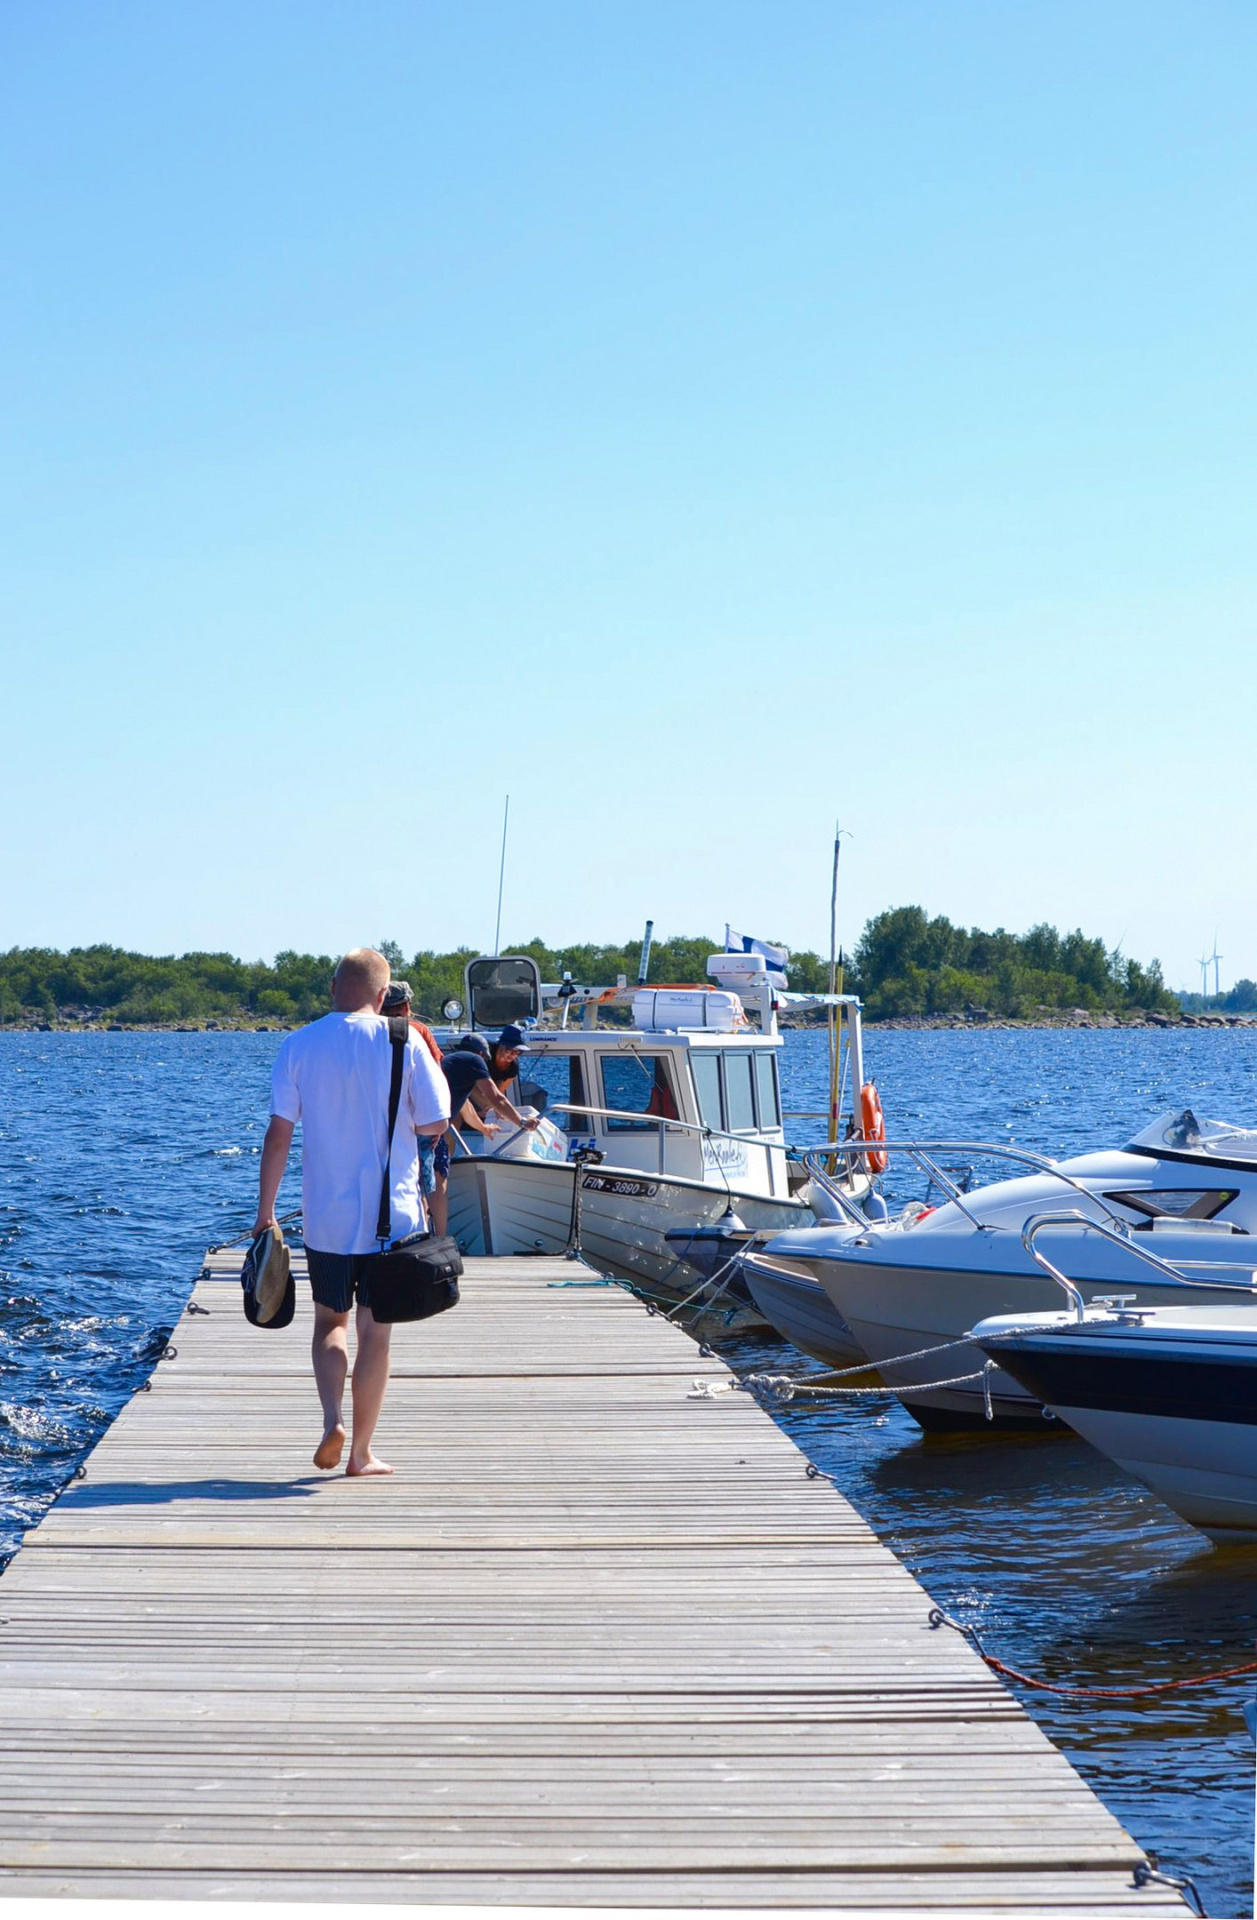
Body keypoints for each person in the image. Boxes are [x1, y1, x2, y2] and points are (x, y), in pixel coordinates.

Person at [253, 948, 449, 1478]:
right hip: (394, 1220)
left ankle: (330, 1419)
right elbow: (435, 1123)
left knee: (329, 1325)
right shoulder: (404, 1043)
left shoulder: (299, 1044)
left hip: (326, 1220)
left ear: (334, 987)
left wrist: (265, 1213)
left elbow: (278, 1136)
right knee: (376, 1331)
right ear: (384, 995)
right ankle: (361, 1453)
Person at [381, 980, 451, 1235]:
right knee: (429, 1180)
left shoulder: (369, 1031)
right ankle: (437, 1236)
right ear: (407, 1005)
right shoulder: (419, 1031)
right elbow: (436, 1078)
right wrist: (437, 1129)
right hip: (419, 1120)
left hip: (384, 1122)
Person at [443, 1030, 540, 1149]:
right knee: (454, 1121)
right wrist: (522, 1122)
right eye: (509, 1049)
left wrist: (483, 1127)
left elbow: (466, 1105)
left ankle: (447, 1163)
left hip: (423, 1118)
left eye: (518, 1052)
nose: (512, 1054)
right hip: (436, 1120)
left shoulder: (452, 1062)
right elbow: (496, 1097)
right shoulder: (474, 1059)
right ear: (481, 1053)